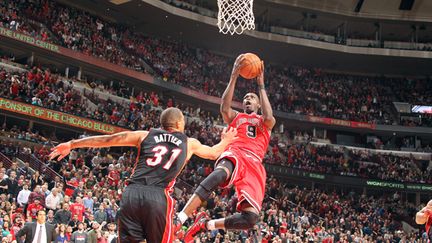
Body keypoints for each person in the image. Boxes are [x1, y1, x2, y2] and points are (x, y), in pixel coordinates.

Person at [49, 107, 237, 243]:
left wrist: (72, 144)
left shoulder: (144, 135)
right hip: (157, 197)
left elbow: (110, 140)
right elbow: (214, 153)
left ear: (162, 124)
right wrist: (226, 140)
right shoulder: (189, 143)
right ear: (180, 124)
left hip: (132, 193)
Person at [176, 55, 276, 242]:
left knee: (250, 219)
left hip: (255, 164)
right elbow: (224, 108)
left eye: (251, 98)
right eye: (245, 97)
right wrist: (233, 76)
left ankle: (205, 225)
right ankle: (181, 218)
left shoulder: (263, 121)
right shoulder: (236, 117)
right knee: (220, 174)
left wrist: (261, 86)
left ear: (258, 104)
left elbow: (270, 117)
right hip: (236, 153)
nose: (247, 99)